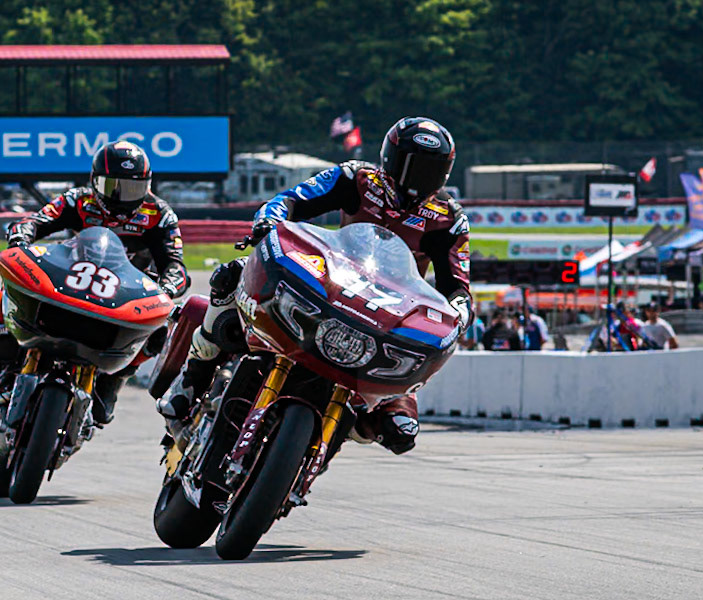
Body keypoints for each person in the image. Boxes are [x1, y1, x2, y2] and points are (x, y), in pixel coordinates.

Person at [157, 116, 472, 455]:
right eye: (410, 165)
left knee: (400, 430)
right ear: (389, 158)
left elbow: (457, 284)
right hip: (331, 281)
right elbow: (291, 200)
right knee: (231, 275)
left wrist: (459, 312)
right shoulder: (356, 178)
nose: (417, 178)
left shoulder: (449, 218)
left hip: (385, 314)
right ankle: (191, 381)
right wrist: (268, 222)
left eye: (430, 170)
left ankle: (319, 448)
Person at [0, 140, 191, 427]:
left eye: (132, 189)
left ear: (147, 186)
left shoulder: (160, 214)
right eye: (113, 187)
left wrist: (168, 287)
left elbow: (175, 264)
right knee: (15, 275)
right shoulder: (78, 200)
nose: (122, 197)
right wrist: (21, 237)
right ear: (95, 182)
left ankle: (112, 382)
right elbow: (37, 221)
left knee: (159, 330)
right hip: (70, 280)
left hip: (124, 296)